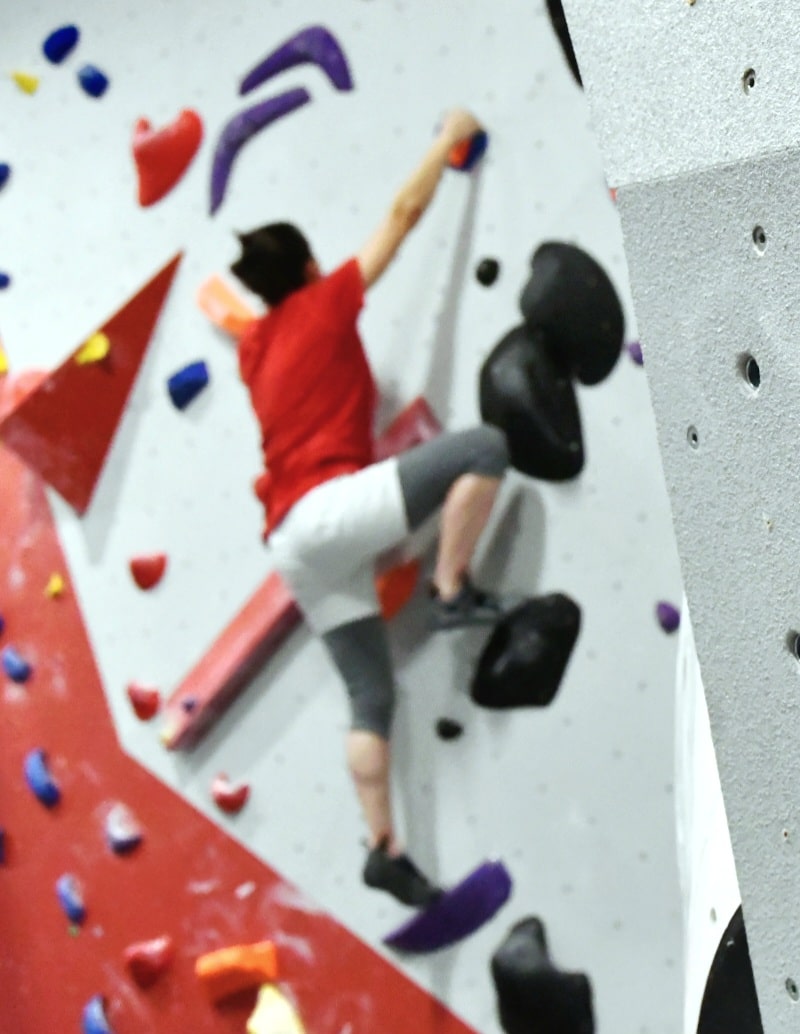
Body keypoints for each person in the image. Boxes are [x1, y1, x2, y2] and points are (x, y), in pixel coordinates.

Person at [231, 108, 505, 907]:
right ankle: (451, 589)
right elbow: (400, 217)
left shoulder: (253, 347)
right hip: (329, 508)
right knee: (485, 448)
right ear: (310, 265)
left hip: (292, 542)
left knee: (370, 697)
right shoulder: (324, 302)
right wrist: (446, 138)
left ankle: (384, 847)